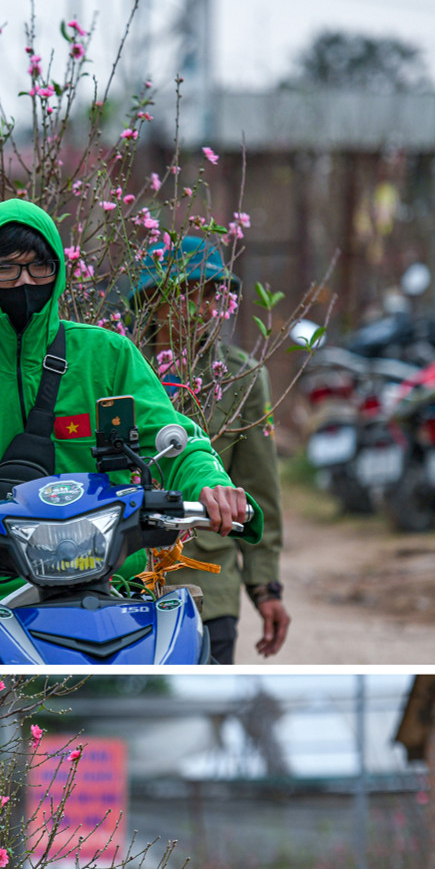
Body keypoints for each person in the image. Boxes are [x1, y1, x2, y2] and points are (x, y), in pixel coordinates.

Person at [0, 200, 260, 663]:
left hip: (111, 588)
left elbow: (176, 442)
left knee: (198, 681)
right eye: (6, 270)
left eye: (39, 267)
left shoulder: (107, 356)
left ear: (59, 269)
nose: (25, 282)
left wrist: (210, 484)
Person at [137, 236, 289, 662]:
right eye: (184, 293)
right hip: (124, 580)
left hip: (208, 584)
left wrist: (266, 588)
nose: (199, 308)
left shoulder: (241, 379)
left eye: (209, 295)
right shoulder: (115, 370)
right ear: (151, 299)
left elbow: (259, 487)